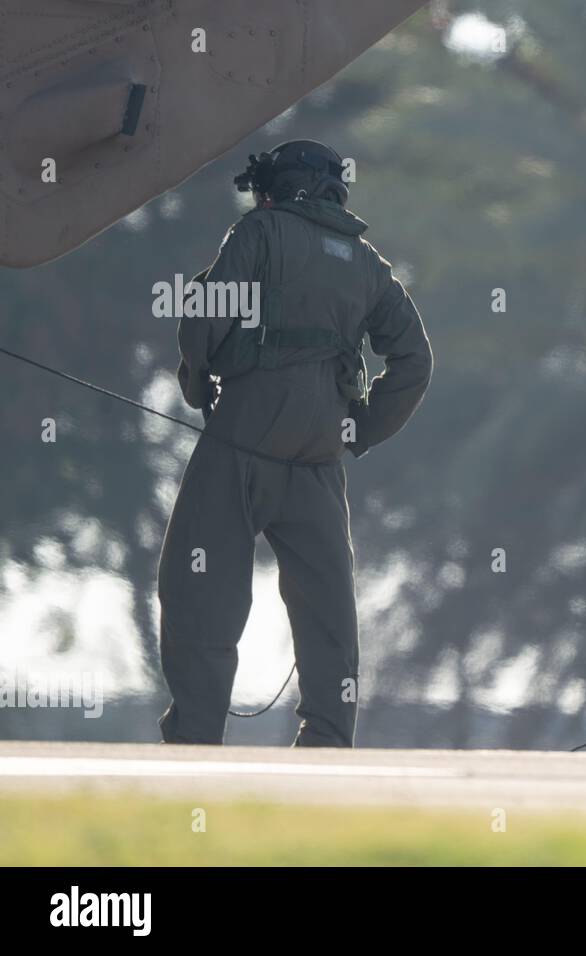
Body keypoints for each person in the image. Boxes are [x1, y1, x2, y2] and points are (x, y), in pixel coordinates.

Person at [157, 140, 433, 746]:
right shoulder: (368, 264)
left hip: (244, 439)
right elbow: (414, 362)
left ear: (277, 187)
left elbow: (207, 315)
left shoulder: (259, 232)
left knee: (198, 585)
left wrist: (199, 383)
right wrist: (357, 430)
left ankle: (196, 739)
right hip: (320, 455)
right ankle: (328, 741)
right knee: (326, 602)